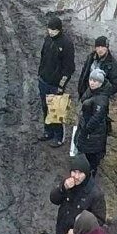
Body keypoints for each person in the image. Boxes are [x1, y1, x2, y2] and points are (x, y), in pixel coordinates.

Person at [37, 15, 79, 146]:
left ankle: (59, 137)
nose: (50, 32)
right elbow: (43, 57)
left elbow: (69, 68)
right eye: (49, 29)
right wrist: (41, 74)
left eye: (53, 30)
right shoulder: (48, 40)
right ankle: (48, 131)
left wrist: (61, 86)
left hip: (56, 84)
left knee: (56, 110)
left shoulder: (66, 44)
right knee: (45, 108)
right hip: (44, 80)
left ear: (59, 30)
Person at [74, 70, 111, 176]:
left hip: (93, 135)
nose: (92, 83)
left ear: (101, 83)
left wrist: (86, 129)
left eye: (96, 81)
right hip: (85, 129)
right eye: (91, 80)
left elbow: (96, 119)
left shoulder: (102, 99)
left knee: (91, 158)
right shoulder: (91, 91)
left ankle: (90, 175)